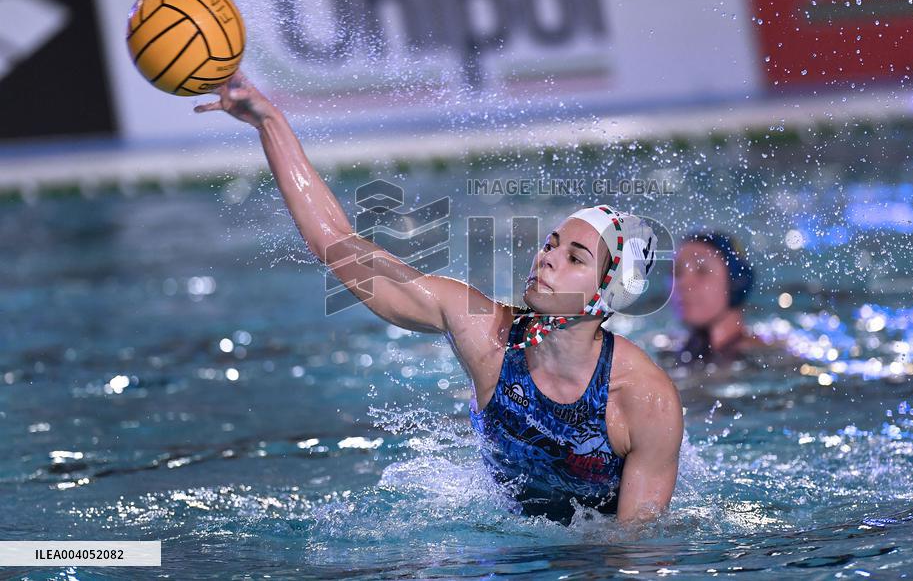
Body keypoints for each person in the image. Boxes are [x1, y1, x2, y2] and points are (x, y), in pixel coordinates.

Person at [194, 72, 684, 526]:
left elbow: (632, 549)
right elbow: (337, 243)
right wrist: (269, 122)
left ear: (604, 296)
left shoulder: (643, 401)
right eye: (551, 244)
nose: (548, 259)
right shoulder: (486, 335)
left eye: (575, 258)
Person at [669, 232, 768, 365]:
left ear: (736, 282)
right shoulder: (671, 349)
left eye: (702, 270)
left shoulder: (765, 358)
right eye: (677, 271)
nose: (683, 283)